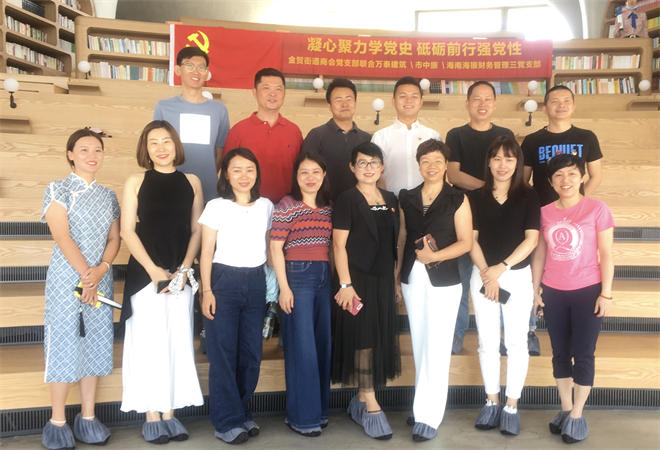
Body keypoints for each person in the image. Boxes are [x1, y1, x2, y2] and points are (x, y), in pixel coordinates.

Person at [120, 120, 204, 443]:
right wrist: (154, 270)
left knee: (177, 341)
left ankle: (170, 412)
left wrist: (183, 269)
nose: (161, 148)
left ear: (176, 144)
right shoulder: (135, 181)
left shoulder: (192, 181)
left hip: (181, 273)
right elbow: (128, 230)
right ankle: (151, 414)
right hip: (146, 274)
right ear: (146, 148)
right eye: (153, 142)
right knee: (148, 343)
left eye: (166, 141)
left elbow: (197, 229)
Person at [40, 129, 120, 449]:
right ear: (70, 154)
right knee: (63, 342)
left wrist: (101, 270)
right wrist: (87, 276)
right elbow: (62, 236)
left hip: (100, 280)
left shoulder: (109, 196)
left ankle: (88, 417)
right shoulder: (57, 189)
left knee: (96, 343)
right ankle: (57, 421)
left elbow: (114, 239)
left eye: (97, 149)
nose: (92, 155)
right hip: (66, 280)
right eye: (84, 149)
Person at [531, 154, 614, 444]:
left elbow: (607, 255)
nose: (565, 180)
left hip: (588, 290)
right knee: (560, 353)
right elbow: (539, 254)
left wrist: (606, 293)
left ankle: (578, 414)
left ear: (581, 177)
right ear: (551, 182)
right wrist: (535, 290)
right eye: (558, 175)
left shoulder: (597, 208)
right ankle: (566, 408)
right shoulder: (544, 213)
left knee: (584, 353)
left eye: (571, 174)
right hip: (553, 291)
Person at [397, 139, 472, 442]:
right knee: (419, 343)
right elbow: (403, 236)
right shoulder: (407, 196)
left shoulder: (457, 198)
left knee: (438, 347)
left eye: (437, 161)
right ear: (419, 165)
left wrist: (435, 256)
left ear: (445, 165)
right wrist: (396, 276)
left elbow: (466, 242)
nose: (432, 166)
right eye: (426, 161)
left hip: (445, 280)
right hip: (411, 277)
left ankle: (429, 416)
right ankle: (421, 406)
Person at [199, 148, 274, 445]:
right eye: (237, 170)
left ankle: (242, 412)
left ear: (257, 174)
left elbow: (270, 248)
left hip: (255, 282)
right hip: (223, 281)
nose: (244, 176)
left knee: (251, 354)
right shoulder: (216, 206)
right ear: (226, 175)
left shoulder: (266, 206)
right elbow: (206, 252)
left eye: (250, 169)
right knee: (224, 353)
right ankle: (226, 421)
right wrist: (206, 290)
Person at [467, 135, 540, 436]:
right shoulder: (475, 197)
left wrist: (502, 268)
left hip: (516, 275)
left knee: (516, 342)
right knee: (486, 341)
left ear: (518, 162)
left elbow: (531, 240)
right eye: (496, 158)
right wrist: (488, 273)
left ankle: (511, 405)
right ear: (488, 162)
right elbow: (470, 240)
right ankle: (491, 401)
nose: (502, 164)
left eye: (509, 158)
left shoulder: (529, 196)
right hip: (482, 274)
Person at [445, 81, 520, 355]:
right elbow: (453, 174)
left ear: (495, 104)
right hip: (464, 215)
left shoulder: (505, 134)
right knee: (461, 281)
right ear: (467, 103)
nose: (482, 104)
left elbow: (513, 170)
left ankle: (500, 337)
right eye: (476, 99)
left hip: (499, 218)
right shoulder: (456, 134)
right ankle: (456, 337)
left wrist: (493, 192)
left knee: (499, 277)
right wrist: (488, 188)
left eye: (488, 99)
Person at [332, 142, 400, 440]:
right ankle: (371, 403)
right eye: (362, 163)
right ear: (352, 167)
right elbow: (338, 245)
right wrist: (345, 284)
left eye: (374, 163)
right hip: (357, 281)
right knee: (364, 340)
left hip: (383, 280)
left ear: (382, 167)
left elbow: (395, 241)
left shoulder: (391, 198)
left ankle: (359, 400)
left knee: (377, 339)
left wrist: (395, 280)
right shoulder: (346, 199)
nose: (368, 168)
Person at [270, 152, 333, 437]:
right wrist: (284, 288)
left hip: (324, 276)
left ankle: (318, 411)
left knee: (322, 345)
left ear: (324, 175)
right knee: (302, 347)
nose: (310, 177)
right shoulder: (286, 205)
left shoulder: (329, 206)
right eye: (304, 172)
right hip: (297, 276)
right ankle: (302, 418)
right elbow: (275, 248)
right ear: (296, 177)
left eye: (316, 171)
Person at [153, 46, 230, 203]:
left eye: (201, 67)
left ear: (206, 73)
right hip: (170, 188)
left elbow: (220, 153)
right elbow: (155, 148)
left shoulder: (219, 109)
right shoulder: (163, 107)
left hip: (208, 190)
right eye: (189, 66)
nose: (196, 72)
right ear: (178, 70)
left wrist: (207, 174)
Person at [224, 68, 303, 203]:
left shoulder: (294, 131)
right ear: (254, 93)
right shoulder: (238, 131)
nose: (273, 93)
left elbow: (301, 170)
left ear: (284, 94)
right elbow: (227, 171)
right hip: (248, 206)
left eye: (278, 89)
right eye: (266, 88)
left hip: (286, 207)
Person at [523, 85, 603, 208]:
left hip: (575, 209)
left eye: (566, 101)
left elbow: (596, 176)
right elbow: (522, 180)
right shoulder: (532, 140)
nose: (561, 105)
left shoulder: (587, 137)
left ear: (573, 107)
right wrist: (536, 200)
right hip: (542, 209)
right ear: (545, 109)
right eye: (555, 101)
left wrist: (577, 200)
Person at [302, 77, 371, 200]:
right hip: (324, 205)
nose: (344, 104)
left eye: (349, 99)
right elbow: (304, 173)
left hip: (358, 205)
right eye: (338, 100)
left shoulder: (366, 138)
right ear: (329, 105)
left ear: (355, 103)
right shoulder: (316, 135)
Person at [372, 76, 441, 196]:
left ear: (421, 102)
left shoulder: (433, 136)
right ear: (393, 101)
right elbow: (374, 174)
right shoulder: (380, 137)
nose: (409, 101)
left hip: (427, 203)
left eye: (414, 96)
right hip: (391, 202)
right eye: (403, 96)